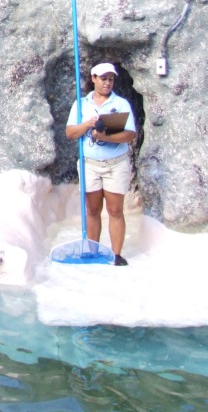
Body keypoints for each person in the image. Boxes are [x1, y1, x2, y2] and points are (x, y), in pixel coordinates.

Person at [65, 62, 137, 266]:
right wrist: (88, 124)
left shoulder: (120, 104)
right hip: (90, 164)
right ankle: (93, 251)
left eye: (111, 79)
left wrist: (105, 136)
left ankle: (116, 254)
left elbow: (129, 134)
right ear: (94, 78)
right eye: (103, 78)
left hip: (115, 164)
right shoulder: (81, 104)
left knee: (115, 210)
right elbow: (70, 133)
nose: (107, 83)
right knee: (92, 209)